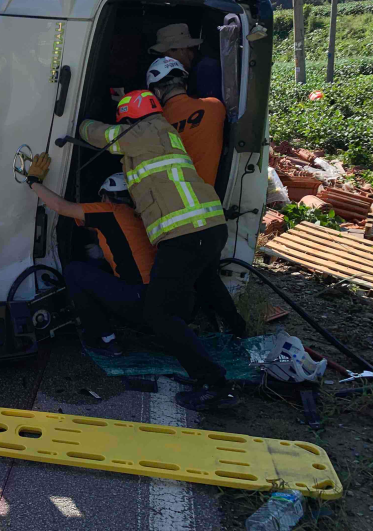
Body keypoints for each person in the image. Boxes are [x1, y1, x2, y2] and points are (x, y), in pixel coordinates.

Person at [76, 90, 247, 411]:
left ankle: (215, 385)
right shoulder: (164, 131)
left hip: (185, 233)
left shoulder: (141, 131)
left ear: (129, 118)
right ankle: (241, 334)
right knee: (207, 283)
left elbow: (102, 135)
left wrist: (79, 121)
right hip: (209, 226)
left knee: (158, 313)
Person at [23, 165, 155, 357]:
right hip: (157, 301)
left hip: (136, 301)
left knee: (74, 271)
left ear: (106, 197)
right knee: (97, 266)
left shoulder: (110, 210)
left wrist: (33, 182)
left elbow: (61, 207)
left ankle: (105, 339)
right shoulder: (140, 217)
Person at [146, 57, 226, 187]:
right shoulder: (215, 107)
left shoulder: (154, 125)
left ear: (157, 92)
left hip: (176, 195)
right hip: (210, 193)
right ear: (185, 84)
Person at [149, 23, 222, 101]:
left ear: (181, 49)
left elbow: (212, 106)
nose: (164, 61)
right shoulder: (191, 70)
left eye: (166, 56)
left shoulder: (207, 68)